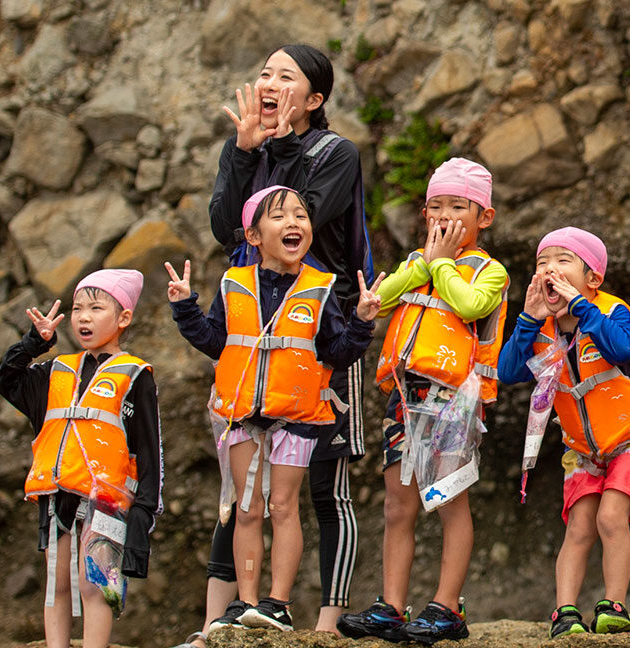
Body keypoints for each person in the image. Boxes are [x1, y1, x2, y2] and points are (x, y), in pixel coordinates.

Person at [194, 44, 372, 643]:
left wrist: (280, 144)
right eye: (264, 72)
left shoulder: (335, 152)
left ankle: (323, 622)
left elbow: (302, 217)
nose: (268, 83)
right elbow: (228, 226)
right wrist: (244, 152)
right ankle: (222, 617)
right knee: (240, 483)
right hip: (251, 327)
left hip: (320, 326)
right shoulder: (247, 145)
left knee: (325, 483)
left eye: (285, 77)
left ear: (314, 99)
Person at [169, 187, 380, 630]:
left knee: (283, 505)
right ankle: (245, 603)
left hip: (296, 417)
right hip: (242, 413)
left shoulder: (320, 289)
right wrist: (184, 308)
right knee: (247, 509)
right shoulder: (233, 283)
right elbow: (214, 341)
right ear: (253, 234)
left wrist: (361, 320)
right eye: (279, 216)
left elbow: (338, 353)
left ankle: (277, 603)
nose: (293, 223)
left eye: (301, 215)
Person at [339, 158, 508, 642]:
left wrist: (439, 264)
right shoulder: (418, 262)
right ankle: (392, 605)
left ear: (484, 218)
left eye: (459, 206)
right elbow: (379, 298)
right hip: (405, 399)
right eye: (436, 206)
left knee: (450, 501)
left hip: (453, 400)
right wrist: (422, 265)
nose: (445, 216)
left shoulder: (490, 271)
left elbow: (471, 305)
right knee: (398, 504)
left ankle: (447, 606)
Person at [497, 228, 630, 638]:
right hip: (583, 449)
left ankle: (615, 605)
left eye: (563, 260)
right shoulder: (542, 328)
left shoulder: (612, 312)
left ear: (593, 279)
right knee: (578, 527)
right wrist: (528, 318)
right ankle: (565, 612)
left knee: (611, 517)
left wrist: (581, 307)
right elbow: (508, 372)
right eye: (542, 263)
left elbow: (621, 350)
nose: (550, 269)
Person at [0, 270, 161, 648]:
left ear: (123, 318)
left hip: (108, 497)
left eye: (96, 308)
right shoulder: (55, 371)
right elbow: (4, 380)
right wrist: (34, 343)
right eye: (77, 308)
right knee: (57, 581)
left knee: (96, 583)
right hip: (57, 493)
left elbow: (150, 449)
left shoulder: (135, 376)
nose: (83, 316)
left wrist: (144, 511)